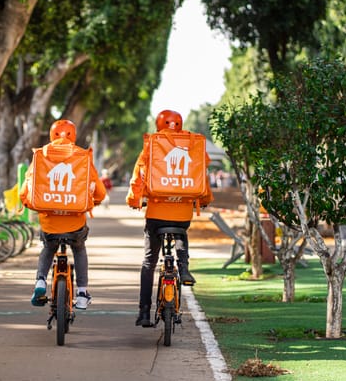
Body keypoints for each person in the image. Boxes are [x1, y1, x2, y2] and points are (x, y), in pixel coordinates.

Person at [125, 109, 214, 327]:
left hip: (156, 214)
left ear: (158, 124)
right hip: (182, 214)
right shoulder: (193, 143)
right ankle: (183, 267)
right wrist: (204, 199)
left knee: (149, 262)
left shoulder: (153, 144)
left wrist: (134, 200)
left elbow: (139, 176)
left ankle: (144, 312)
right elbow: (201, 175)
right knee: (181, 232)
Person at [19, 119, 107, 310]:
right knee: (79, 248)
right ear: (73, 135)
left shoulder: (41, 155)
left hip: (50, 223)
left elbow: (26, 190)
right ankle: (82, 292)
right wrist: (94, 202)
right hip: (74, 224)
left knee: (49, 248)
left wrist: (28, 202)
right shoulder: (82, 156)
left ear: (52, 135)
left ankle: (40, 281)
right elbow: (99, 192)